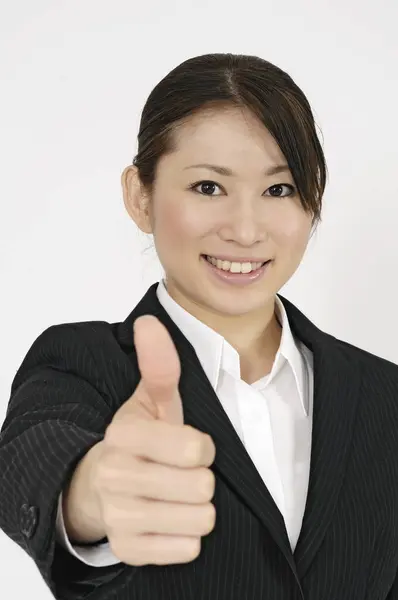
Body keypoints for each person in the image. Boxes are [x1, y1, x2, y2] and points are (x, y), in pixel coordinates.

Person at [1, 52, 398, 600]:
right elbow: (29, 456)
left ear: (313, 203)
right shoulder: (83, 361)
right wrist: (90, 495)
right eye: (208, 187)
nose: (244, 229)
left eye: (278, 189)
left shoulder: (385, 396)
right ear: (140, 196)